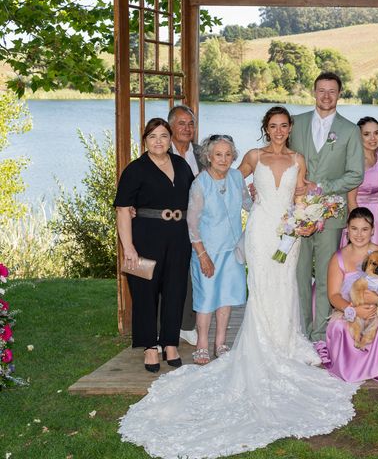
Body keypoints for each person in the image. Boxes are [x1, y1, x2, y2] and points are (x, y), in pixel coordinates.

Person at [119, 106, 358, 459]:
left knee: (286, 287)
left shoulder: (298, 158)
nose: (278, 130)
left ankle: (284, 342)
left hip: (286, 233)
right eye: (272, 126)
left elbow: (294, 194)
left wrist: (308, 216)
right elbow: (231, 179)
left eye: (283, 125)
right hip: (261, 232)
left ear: (289, 128)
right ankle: (247, 342)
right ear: (266, 129)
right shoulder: (250, 157)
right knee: (260, 288)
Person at [289, 72, 365, 341]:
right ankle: (299, 332)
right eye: (321, 90)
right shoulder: (295, 124)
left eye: (332, 91)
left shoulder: (349, 130)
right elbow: (278, 158)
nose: (326, 96)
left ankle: (319, 335)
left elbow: (356, 174)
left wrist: (321, 187)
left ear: (339, 94)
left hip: (332, 215)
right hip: (297, 213)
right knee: (298, 276)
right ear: (313, 91)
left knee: (325, 276)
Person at [114, 118, 194, 373]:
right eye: (153, 137)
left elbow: (197, 199)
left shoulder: (181, 165)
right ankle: (150, 346)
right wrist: (128, 248)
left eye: (163, 136)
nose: (158, 141)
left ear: (170, 139)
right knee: (144, 292)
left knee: (175, 289)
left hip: (179, 237)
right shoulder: (135, 169)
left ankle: (170, 342)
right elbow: (123, 210)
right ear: (145, 141)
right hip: (145, 237)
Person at [316, 207, 378, 382]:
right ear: (347, 230)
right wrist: (354, 310)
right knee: (339, 327)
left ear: (373, 230)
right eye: (354, 228)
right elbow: (333, 296)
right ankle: (352, 368)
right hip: (353, 306)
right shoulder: (338, 257)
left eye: (365, 229)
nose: (359, 234)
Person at [187, 135, 251, 364]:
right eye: (218, 155)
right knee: (206, 299)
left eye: (228, 154)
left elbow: (248, 205)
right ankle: (202, 344)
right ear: (208, 157)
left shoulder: (236, 177)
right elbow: (192, 224)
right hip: (208, 251)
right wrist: (202, 255)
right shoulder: (200, 183)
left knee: (226, 298)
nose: (224, 159)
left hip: (232, 251)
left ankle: (220, 343)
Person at [168, 104, 206, 346]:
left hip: (200, 223)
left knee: (196, 274)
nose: (187, 128)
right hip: (169, 222)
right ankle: (166, 325)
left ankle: (188, 325)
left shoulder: (203, 154)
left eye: (190, 123)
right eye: (181, 123)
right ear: (170, 126)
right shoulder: (160, 151)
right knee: (169, 275)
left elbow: (220, 178)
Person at [340, 117, 378, 248]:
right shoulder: (356, 161)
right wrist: (360, 227)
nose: (373, 138)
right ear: (359, 136)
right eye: (367, 134)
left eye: (376, 133)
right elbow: (351, 200)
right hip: (360, 216)